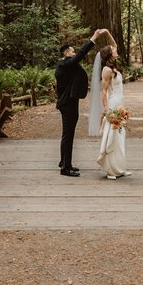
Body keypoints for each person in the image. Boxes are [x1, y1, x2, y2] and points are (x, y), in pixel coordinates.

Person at [55, 28, 104, 177]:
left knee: (68, 134)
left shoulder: (67, 65)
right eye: (72, 51)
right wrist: (93, 38)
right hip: (67, 104)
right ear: (66, 53)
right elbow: (81, 55)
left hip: (70, 102)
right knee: (68, 135)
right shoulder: (65, 64)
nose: (75, 53)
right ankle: (65, 168)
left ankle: (65, 162)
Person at [88, 29, 131, 180]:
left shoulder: (114, 66)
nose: (115, 49)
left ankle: (120, 168)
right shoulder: (106, 70)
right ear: (109, 54)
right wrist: (106, 110)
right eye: (113, 50)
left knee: (120, 136)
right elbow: (103, 91)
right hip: (113, 104)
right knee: (112, 136)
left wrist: (106, 32)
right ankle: (111, 170)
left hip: (120, 103)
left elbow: (114, 43)